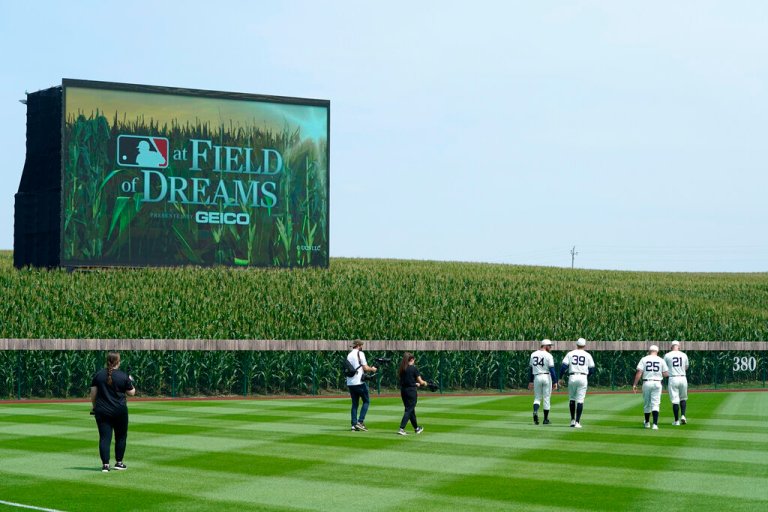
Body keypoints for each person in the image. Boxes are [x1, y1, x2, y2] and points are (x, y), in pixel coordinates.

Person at [90, 352, 135, 472]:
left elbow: (93, 394)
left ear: (107, 361)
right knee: (121, 437)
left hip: (102, 410)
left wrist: (94, 407)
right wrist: (131, 381)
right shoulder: (123, 376)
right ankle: (119, 463)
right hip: (120, 411)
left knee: (104, 438)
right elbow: (131, 393)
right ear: (118, 362)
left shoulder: (98, 375)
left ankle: (105, 465)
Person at [559, 337, 595, 428]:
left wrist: (560, 377)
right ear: (584, 345)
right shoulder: (587, 355)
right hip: (583, 376)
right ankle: (577, 422)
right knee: (580, 400)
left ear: (577, 344)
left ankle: (572, 420)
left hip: (572, 376)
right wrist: (587, 376)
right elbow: (592, 369)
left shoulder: (570, 353)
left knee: (572, 399)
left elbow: (563, 367)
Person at [632, 345, 669, 430]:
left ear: (649, 351)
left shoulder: (644, 359)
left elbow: (639, 372)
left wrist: (635, 384)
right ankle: (655, 424)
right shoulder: (661, 360)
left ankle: (647, 423)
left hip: (647, 382)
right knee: (655, 403)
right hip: (657, 383)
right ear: (657, 351)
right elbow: (666, 374)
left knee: (647, 404)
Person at [346, 340, 377, 431]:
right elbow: (365, 368)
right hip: (359, 382)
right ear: (358, 345)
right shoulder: (360, 354)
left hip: (350, 382)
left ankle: (353, 424)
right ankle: (360, 422)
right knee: (366, 401)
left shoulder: (349, 355)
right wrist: (373, 369)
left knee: (355, 404)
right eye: (361, 345)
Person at [528, 339, 558, 424]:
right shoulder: (548, 355)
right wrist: (555, 381)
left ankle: (535, 411)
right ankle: (545, 419)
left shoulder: (533, 354)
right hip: (546, 377)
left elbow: (530, 369)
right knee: (546, 398)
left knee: (537, 397)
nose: (550, 347)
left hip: (537, 377)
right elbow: (552, 370)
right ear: (545, 346)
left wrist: (530, 381)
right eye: (549, 346)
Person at [397, 352, 427, 435]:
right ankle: (401, 428)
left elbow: (406, 381)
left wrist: (415, 384)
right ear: (412, 359)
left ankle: (416, 428)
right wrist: (424, 383)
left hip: (403, 391)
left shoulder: (402, 368)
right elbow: (420, 381)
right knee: (409, 409)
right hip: (411, 391)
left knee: (411, 410)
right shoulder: (413, 368)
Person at [663, 340, 689, 425]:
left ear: (671, 347)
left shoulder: (667, 355)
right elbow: (686, 367)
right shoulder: (684, 355)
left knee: (675, 400)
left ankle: (676, 421)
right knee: (683, 398)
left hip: (673, 378)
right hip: (682, 377)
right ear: (679, 346)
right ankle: (683, 416)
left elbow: (664, 368)